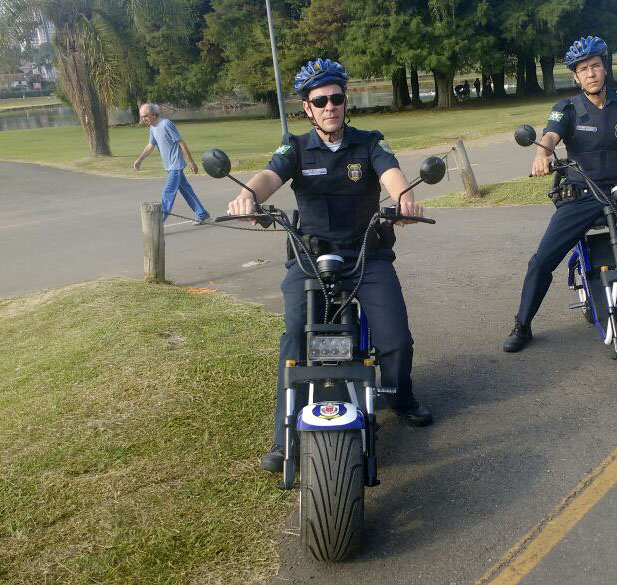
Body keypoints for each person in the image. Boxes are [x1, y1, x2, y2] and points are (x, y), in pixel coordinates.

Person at [225, 58, 434, 474]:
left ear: (345, 99)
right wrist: (247, 195)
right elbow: (269, 175)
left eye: (336, 97)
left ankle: (398, 395)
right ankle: (284, 438)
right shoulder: (296, 147)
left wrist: (403, 199)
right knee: (296, 337)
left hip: (366, 254)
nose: (329, 106)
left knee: (395, 339)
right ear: (307, 107)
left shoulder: (369, 141)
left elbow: (391, 173)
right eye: (320, 100)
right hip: (310, 259)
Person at [503, 35, 617, 353]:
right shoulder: (567, 108)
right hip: (581, 193)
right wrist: (542, 155)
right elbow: (550, 135)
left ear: (605, 68)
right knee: (541, 261)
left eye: (595, 66)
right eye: (583, 69)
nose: (590, 73)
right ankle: (523, 323)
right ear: (575, 76)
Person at [134, 103, 210, 223]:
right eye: (142, 117)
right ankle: (201, 213)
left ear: (154, 114)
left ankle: (158, 221)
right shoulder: (152, 128)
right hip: (169, 166)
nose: (144, 119)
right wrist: (139, 160)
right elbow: (150, 145)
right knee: (186, 190)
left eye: (146, 116)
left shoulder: (166, 124)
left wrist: (191, 162)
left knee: (168, 192)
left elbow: (181, 143)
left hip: (176, 165)